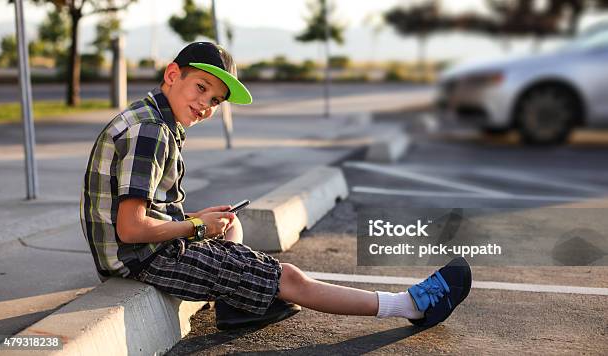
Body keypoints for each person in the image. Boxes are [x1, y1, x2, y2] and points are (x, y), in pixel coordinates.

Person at [80, 42, 472, 331]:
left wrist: (200, 218)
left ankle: (237, 304)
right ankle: (410, 305)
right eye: (201, 88)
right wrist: (197, 227)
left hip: (139, 247)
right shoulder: (151, 132)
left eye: (215, 100)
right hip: (140, 257)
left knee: (230, 224)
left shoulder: (152, 117)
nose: (206, 105)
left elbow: (144, 212)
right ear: (172, 74)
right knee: (290, 278)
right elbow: (130, 228)